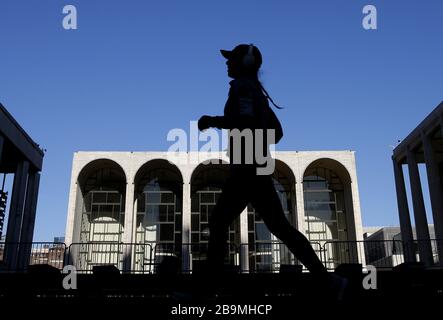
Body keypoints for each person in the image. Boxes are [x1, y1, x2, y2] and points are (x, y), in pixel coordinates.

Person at [197, 44, 328, 275]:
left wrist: (212, 120)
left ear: (245, 63)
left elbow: (245, 122)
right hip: (257, 166)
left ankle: (206, 290)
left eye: (232, 59)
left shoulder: (243, 88)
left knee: (218, 222)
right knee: (280, 227)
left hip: (247, 168)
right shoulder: (256, 91)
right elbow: (277, 132)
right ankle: (328, 280)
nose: (227, 63)